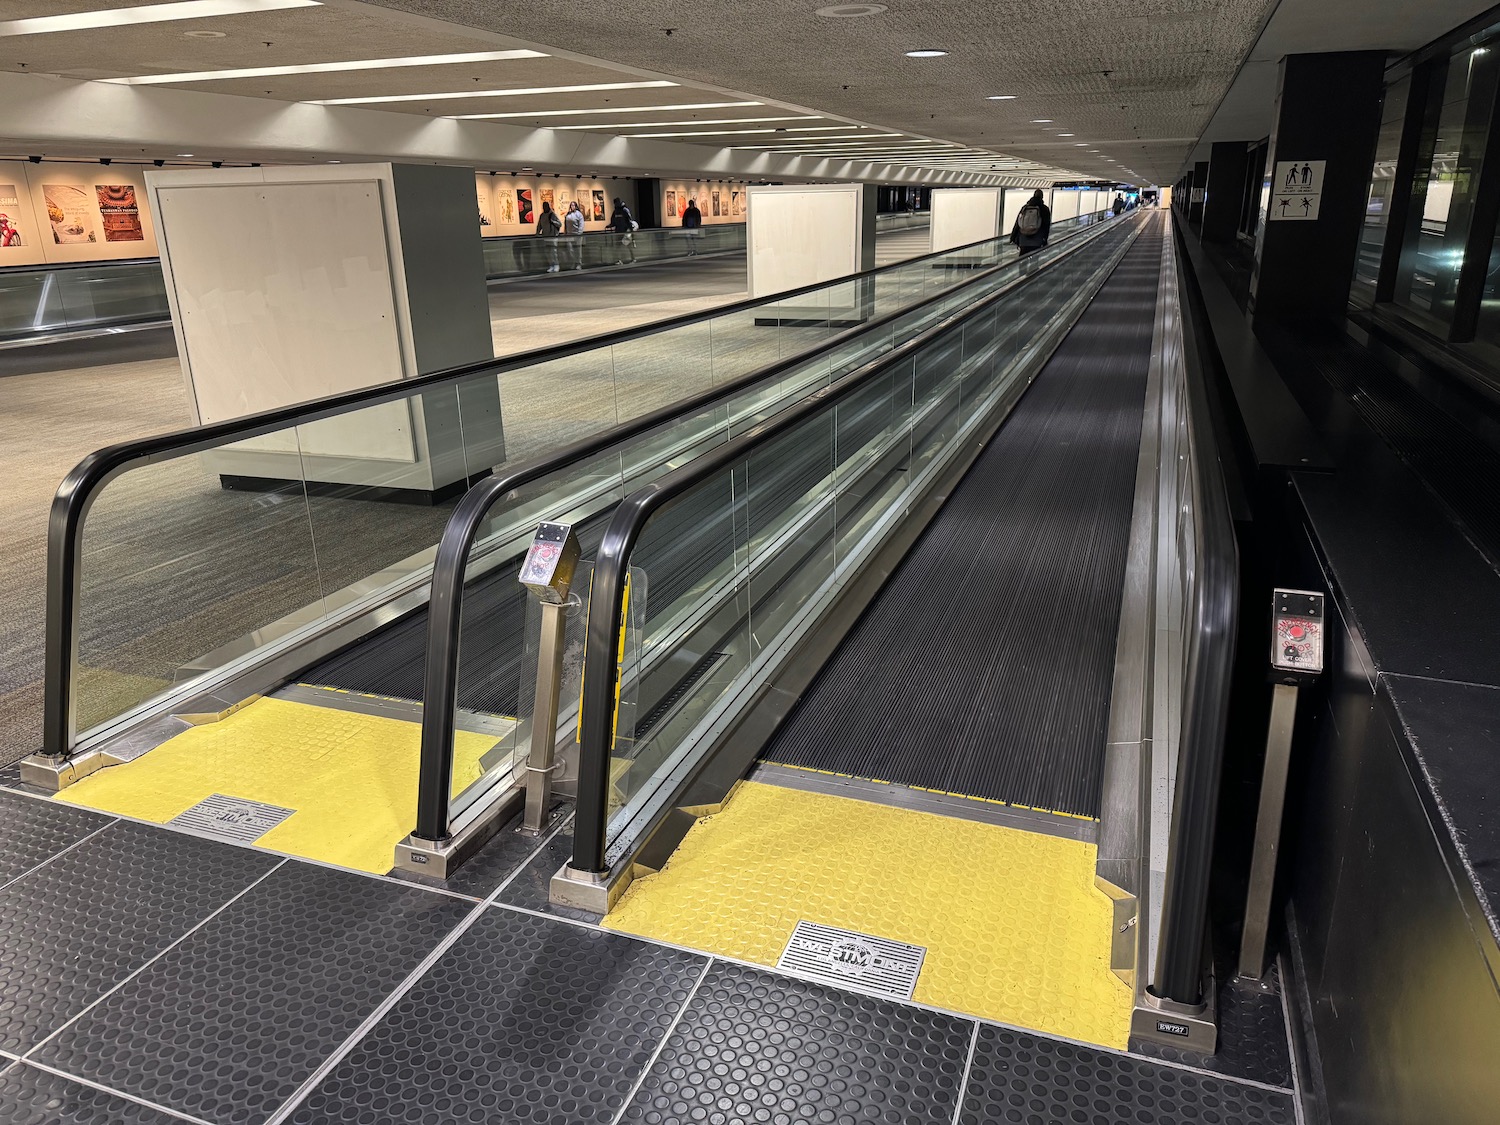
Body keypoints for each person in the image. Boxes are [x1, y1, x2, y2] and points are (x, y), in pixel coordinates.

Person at [1010, 189, 1051, 257]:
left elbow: (1017, 223)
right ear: (1042, 197)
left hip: (1023, 239)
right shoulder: (1044, 209)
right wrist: (1045, 239)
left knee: (1022, 260)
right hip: (1037, 239)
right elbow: (1046, 226)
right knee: (1034, 260)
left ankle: (1022, 267)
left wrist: (1013, 237)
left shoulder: (1025, 207)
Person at [608, 197, 637, 264]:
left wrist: (631, 229)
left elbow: (629, 220)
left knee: (629, 245)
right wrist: (610, 225)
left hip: (626, 231)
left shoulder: (624, 210)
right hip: (618, 231)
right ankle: (619, 260)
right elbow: (613, 221)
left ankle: (633, 258)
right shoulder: (615, 211)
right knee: (618, 246)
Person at [536, 201, 562, 272]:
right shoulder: (542, 215)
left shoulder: (552, 214)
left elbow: (559, 224)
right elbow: (539, 225)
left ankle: (556, 265)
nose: (545, 207)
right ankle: (551, 265)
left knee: (553, 252)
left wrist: (553, 222)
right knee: (548, 252)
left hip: (553, 236)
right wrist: (537, 233)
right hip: (545, 236)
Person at [564, 200, 586, 270]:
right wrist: (565, 233)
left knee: (578, 250)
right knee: (570, 250)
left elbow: (581, 225)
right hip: (569, 235)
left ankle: (579, 263)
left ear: (576, 206)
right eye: (571, 205)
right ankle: (573, 262)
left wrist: (579, 233)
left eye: (573, 205)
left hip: (577, 235)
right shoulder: (568, 214)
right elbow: (566, 225)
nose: (572, 206)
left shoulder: (579, 214)